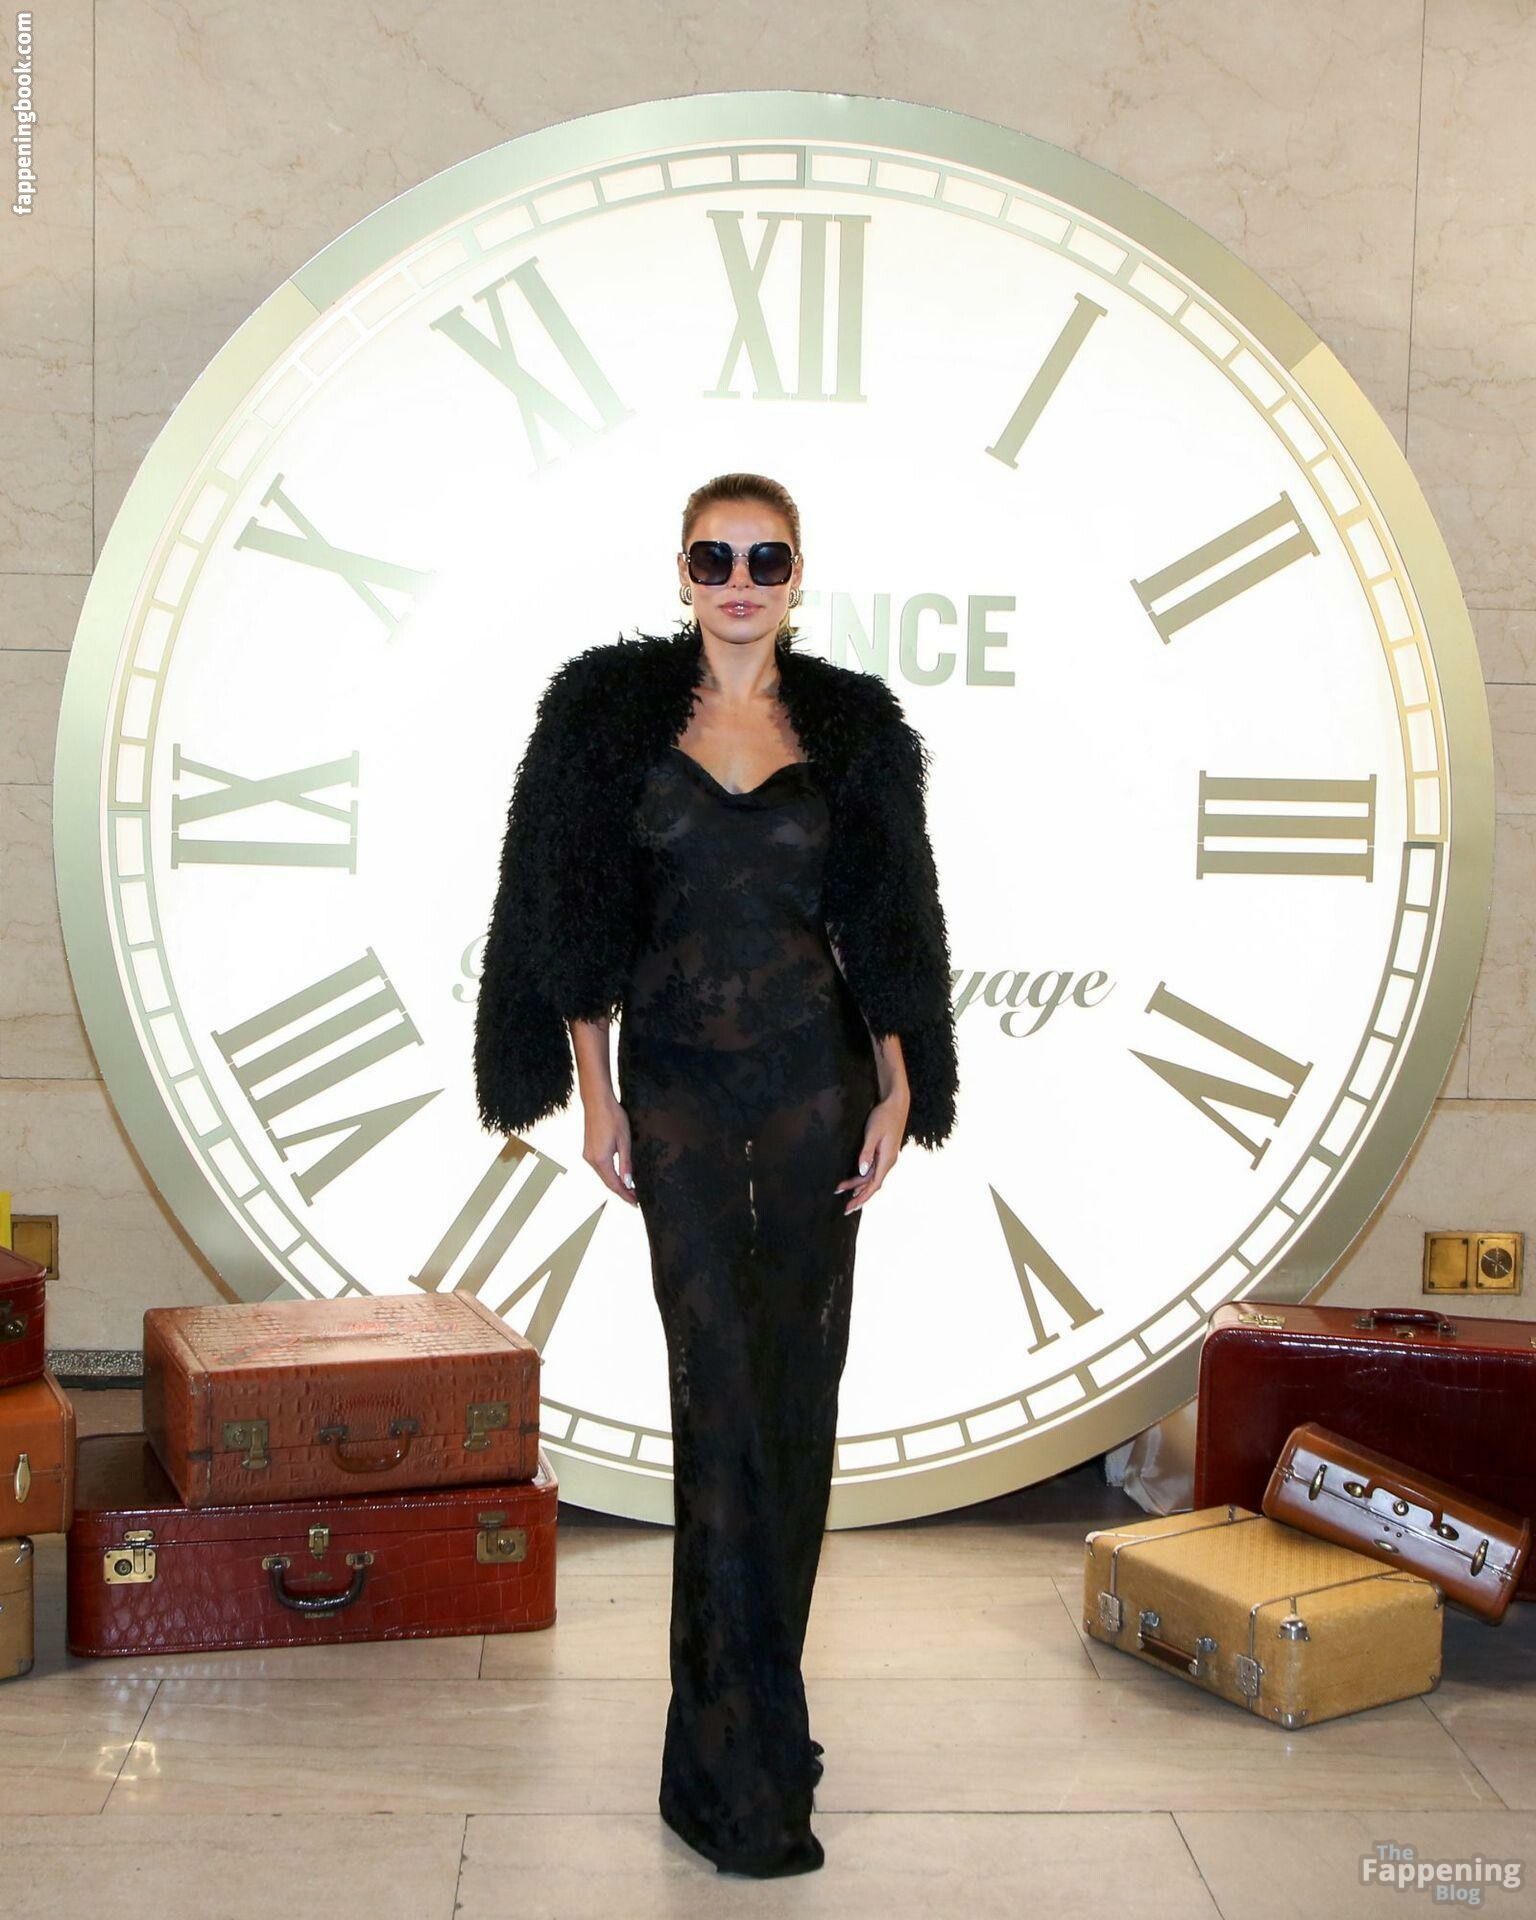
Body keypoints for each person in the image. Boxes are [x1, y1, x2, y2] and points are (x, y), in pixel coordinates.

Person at [473, 472, 959, 1877]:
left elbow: (887, 918)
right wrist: (596, 1092)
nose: (739, 581)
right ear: (681, 572)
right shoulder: (607, 718)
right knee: (718, 1399)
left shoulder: (851, 728)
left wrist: (901, 1081)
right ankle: (721, 1757)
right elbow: (570, 912)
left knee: (797, 1405)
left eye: (766, 558)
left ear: (798, 577)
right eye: (714, 557)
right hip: (677, 1094)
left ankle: (767, 1723)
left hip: (818, 1091)